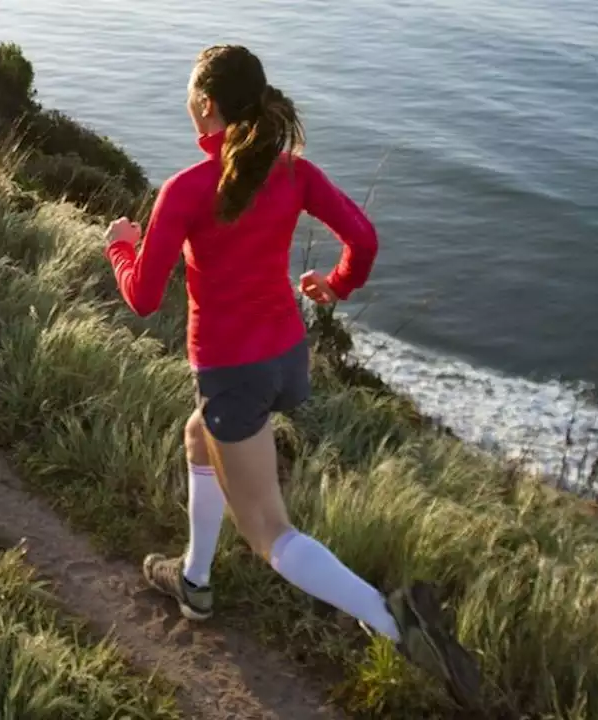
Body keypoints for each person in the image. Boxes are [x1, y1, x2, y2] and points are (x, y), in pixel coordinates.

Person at [102, 44, 481, 707]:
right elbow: (362, 240)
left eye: (192, 93)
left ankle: (397, 623)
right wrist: (335, 286)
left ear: (206, 106)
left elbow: (140, 297)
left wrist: (120, 244)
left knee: (269, 533)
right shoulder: (294, 174)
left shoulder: (188, 190)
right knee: (201, 439)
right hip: (287, 359)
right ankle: (193, 580)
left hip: (235, 373)